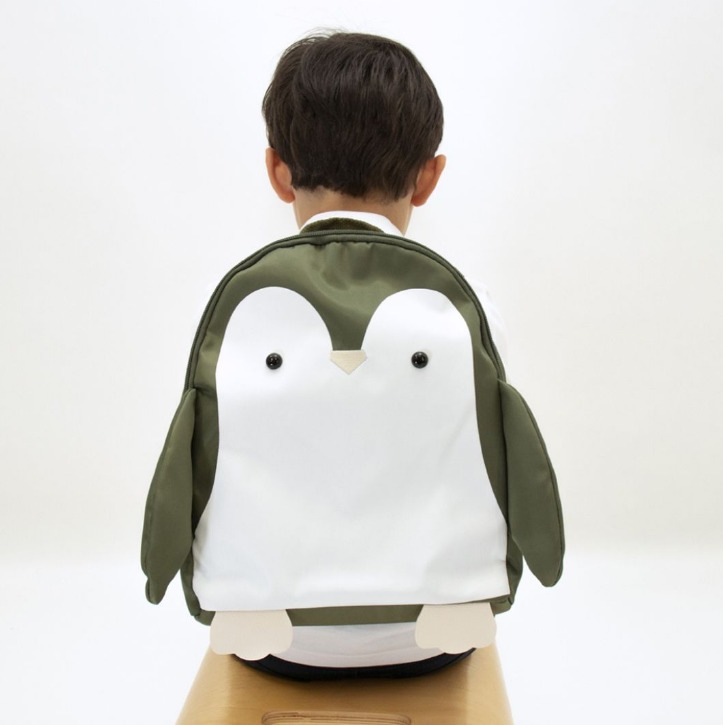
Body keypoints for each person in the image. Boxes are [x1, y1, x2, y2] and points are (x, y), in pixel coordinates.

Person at [242, 30, 508, 681]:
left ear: (277, 171)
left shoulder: (245, 310)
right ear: (428, 177)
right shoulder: (459, 309)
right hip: (435, 636)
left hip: (271, 637)